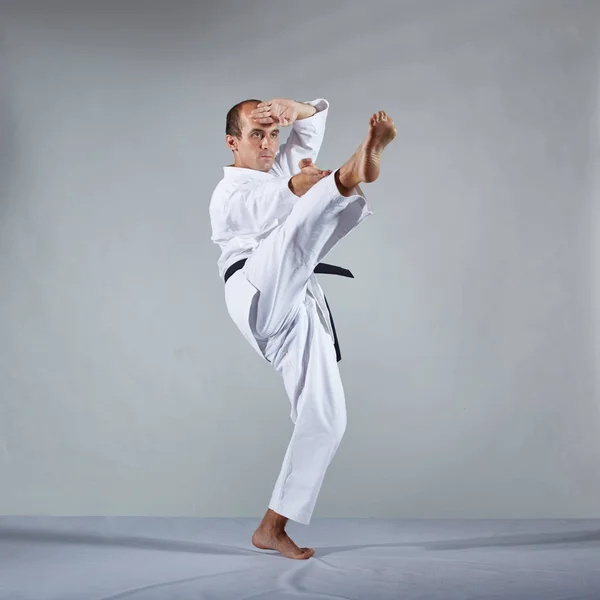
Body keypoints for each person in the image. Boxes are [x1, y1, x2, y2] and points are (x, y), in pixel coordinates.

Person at [209, 97, 396, 559]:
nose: (268, 143)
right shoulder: (229, 192)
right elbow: (270, 202)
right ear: (233, 143)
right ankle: (353, 175)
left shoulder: (280, 169)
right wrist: (301, 185)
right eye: (257, 134)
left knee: (328, 418)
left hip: (294, 303)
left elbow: (307, 134)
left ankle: (271, 528)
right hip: (254, 284)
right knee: (295, 233)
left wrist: (298, 110)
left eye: (274, 134)